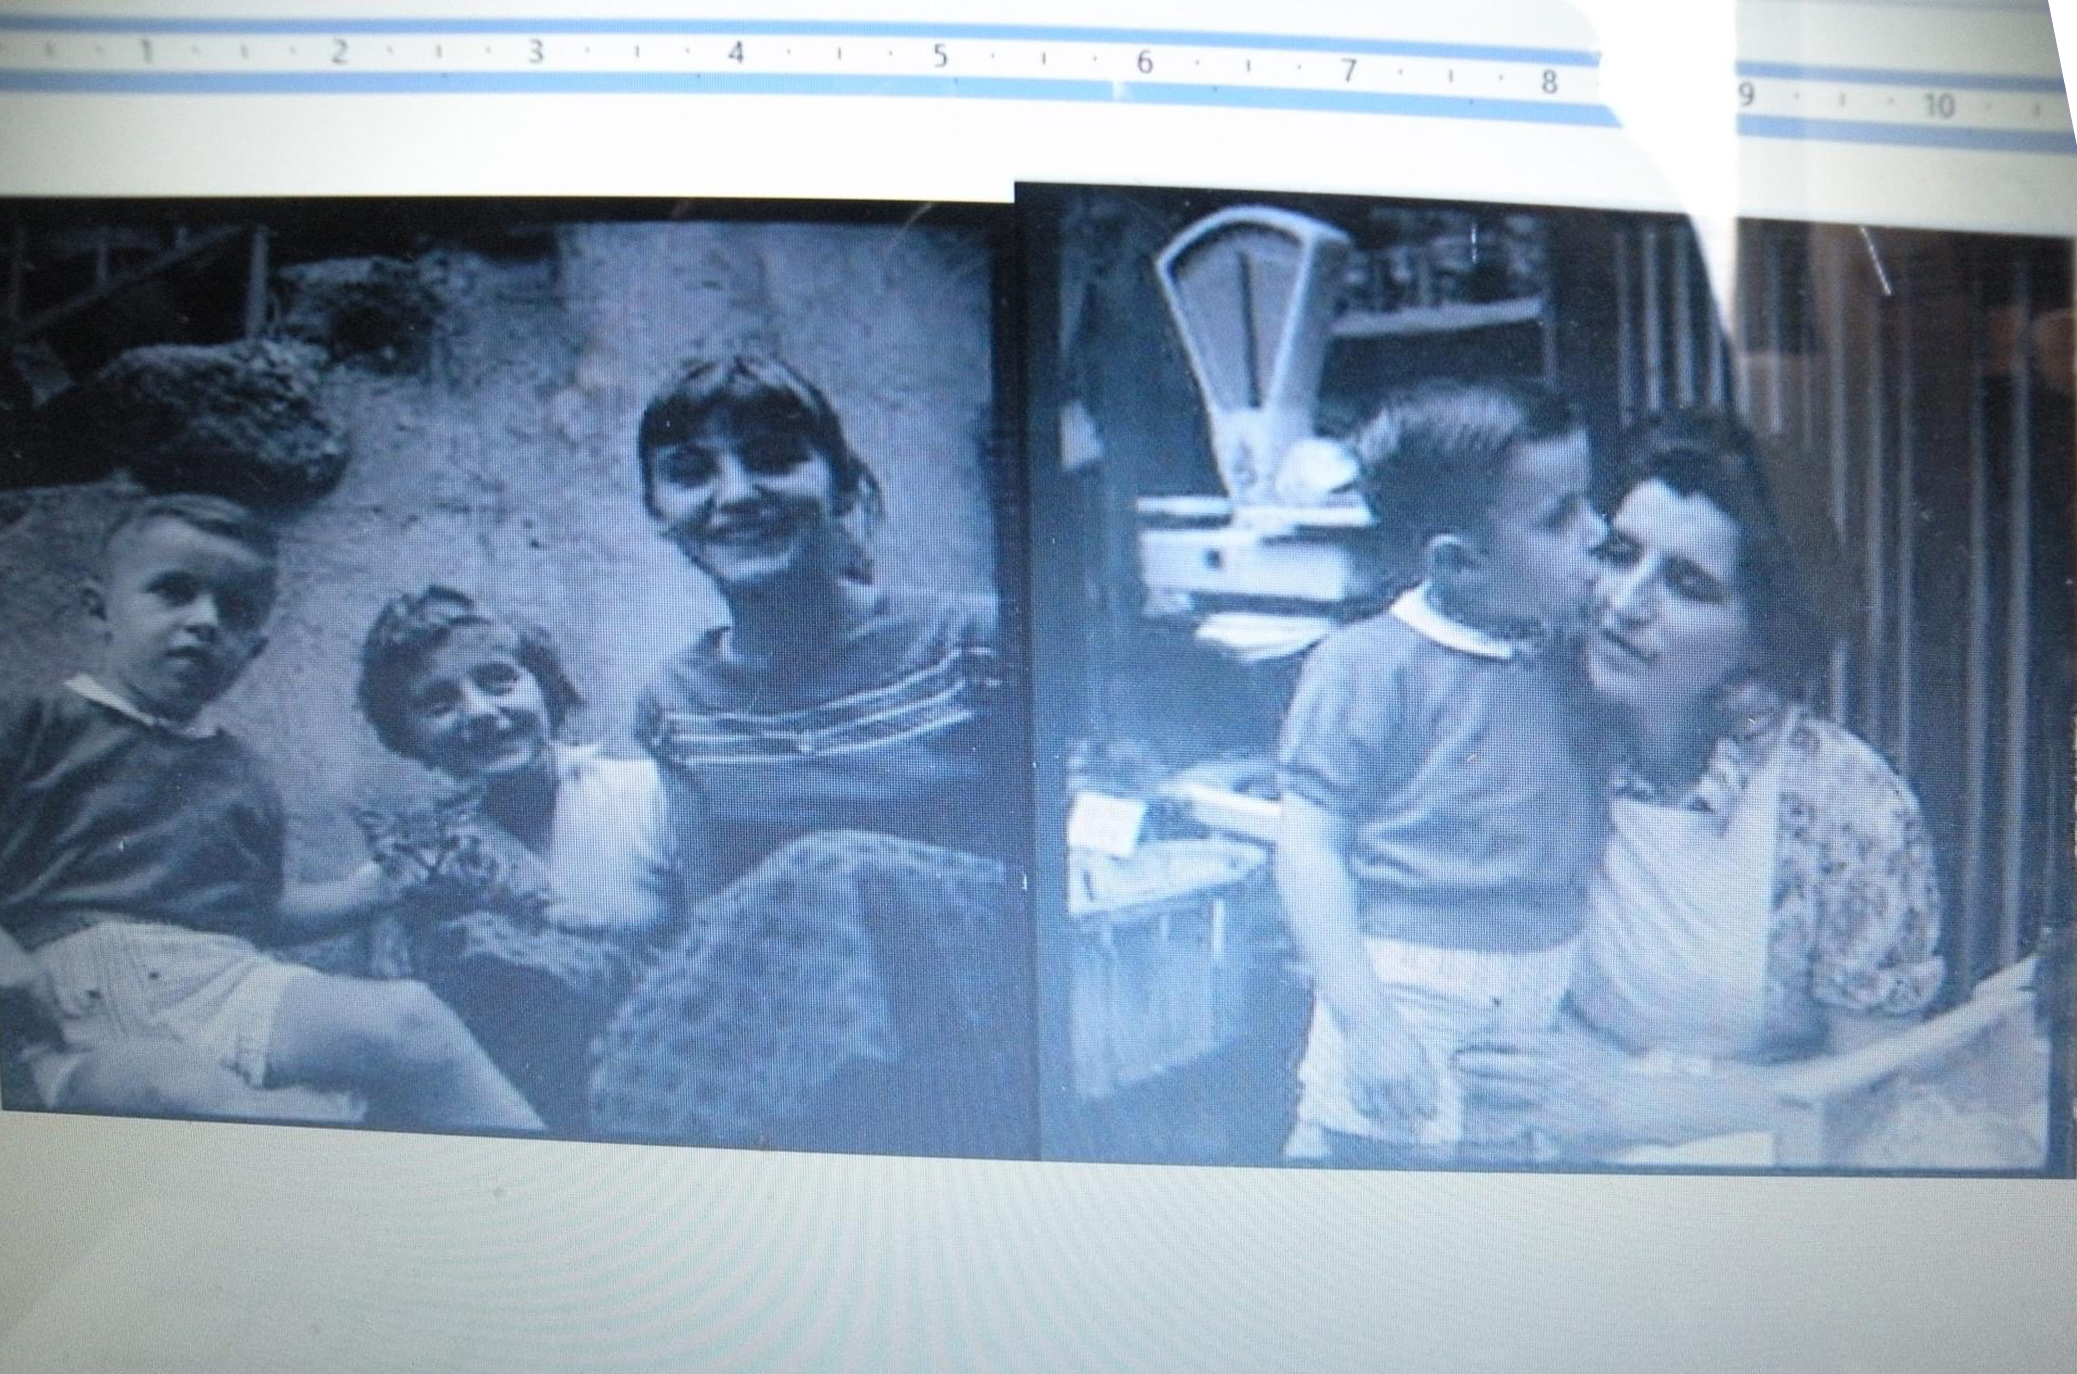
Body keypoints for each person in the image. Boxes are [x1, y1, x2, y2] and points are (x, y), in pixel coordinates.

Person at [1456, 410, 1946, 1159]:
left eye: (1686, 584)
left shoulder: (1848, 804)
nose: (1622, 605)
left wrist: (1630, 1102)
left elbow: (1871, 1095)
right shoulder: (1531, 723)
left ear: (1759, 638)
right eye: (1619, 554)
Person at [589, 352, 1030, 1155]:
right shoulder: (675, 703)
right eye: (691, 473)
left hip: (982, 1036)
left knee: (832, 867)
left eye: (773, 458)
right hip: (807, 1072)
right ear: (657, 511)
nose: (736, 495)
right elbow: (716, 920)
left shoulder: (975, 640)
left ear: (843, 483)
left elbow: (1045, 872)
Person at [0, 494, 541, 1131]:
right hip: (72, 1003)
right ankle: (309, 1120)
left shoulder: (240, 772)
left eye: (233, 609)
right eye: (174, 593)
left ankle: (552, 1185)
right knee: (177, 1090)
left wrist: (380, 888)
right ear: (101, 610)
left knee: (412, 1019)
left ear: (253, 649)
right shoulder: (36, 722)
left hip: (221, 976)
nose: (205, 621)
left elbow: (262, 912)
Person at [1275, 380, 1609, 1165]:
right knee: (1382, 1203)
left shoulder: (1562, 653)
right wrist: (1369, 1024)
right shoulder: (1364, 666)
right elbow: (1307, 850)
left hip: (1540, 985)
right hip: (1407, 991)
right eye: (1558, 517)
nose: (1596, 532)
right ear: (1459, 564)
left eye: (1587, 501)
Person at [354, 585, 677, 1131]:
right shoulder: (408, 863)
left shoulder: (650, 799)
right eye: (439, 704)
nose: (478, 712)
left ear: (546, 688)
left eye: (498, 680)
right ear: (410, 739)